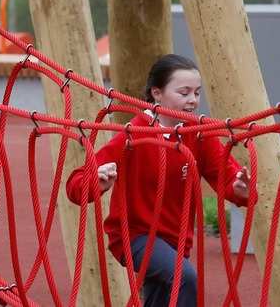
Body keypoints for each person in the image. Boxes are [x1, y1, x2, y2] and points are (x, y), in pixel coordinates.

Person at [66, 54, 251, 307]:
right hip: (135, 237)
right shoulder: (134, 135)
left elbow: (228, 176)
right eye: (184, 92)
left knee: (164, 298)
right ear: (157, 93)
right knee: (185, 279)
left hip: (177, 242)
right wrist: (95, 183)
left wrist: (240, 189)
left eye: (197, 93)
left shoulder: (197, 133)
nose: (193, 100)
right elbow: (76, 184)